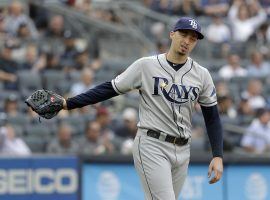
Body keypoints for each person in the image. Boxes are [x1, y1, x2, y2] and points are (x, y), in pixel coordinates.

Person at [47, 17, 224, 199]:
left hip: (183, 149)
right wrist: (69, 103)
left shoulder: (202, 75)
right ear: (172, 34)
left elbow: (212, 117)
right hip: (152, 144)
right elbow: (110, 88)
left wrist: (217, 155)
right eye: (183, 34)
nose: (187, 41)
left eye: (193, 38)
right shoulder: (146, 65)